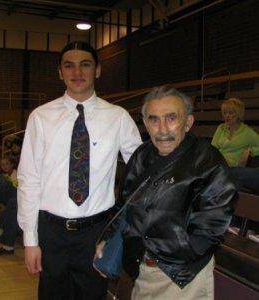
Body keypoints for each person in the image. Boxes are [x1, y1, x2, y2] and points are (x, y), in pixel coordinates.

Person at [17, 41, 142, 300]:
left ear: (98, 70)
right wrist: (31, 240)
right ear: (59, 72)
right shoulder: (40, 117)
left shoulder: (118, 117)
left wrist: (120, 227)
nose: (77, 72)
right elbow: (29, 179)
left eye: (85, 65)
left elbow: (141, 171)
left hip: (96, 234)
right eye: (69, 65)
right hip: (51, 232)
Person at [97, 86, 237, 299]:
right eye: (154, 120)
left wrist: (176, 252)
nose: (162, 129)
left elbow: (213, 223)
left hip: (182, 277)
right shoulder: (142, 155)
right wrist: (109, 237)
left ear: (188, 123)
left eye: (171, 118)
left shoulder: (208, 160)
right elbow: (125, 204)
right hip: (141, 270)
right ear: (145, 124)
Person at [211, 98, 259, 194]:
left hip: (233, 169)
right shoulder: (221, 128)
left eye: (231, 113)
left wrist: (250, 151)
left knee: (235, 176)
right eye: (225, 113)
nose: (227, 116)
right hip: (218, 166)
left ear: (238, 114)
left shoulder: (247, 132)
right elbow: (212, 150)